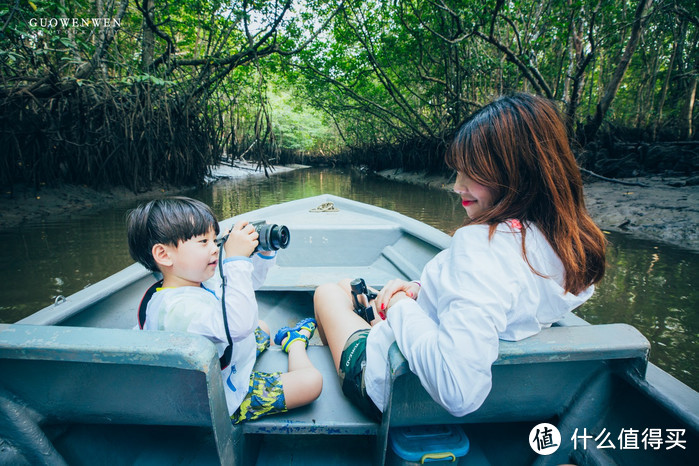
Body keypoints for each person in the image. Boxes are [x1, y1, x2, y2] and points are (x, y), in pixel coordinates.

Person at [314, 93, 607, 419]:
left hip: (388, 388)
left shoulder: (481, 246)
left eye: (473, 173)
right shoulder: (571, 248)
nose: (457, 186)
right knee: (347, 286)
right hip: (504, 407)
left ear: (516, 174)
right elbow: (502, 296)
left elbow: (458, 390)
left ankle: (334, 380)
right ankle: (369, 317)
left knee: (327, 292)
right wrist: (422, 292)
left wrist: (401, 307)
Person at [127, 196, 322, 423]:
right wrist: (236, 260)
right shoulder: (175, 310)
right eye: (203, 242)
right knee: (312, 382)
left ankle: (260, 356)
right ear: (163, 254)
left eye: (215, 239)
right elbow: (238, 325)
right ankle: (295, 342)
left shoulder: (191, 281)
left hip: (220, 364)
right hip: (217, 399)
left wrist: (262, 252)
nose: (215, 248)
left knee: (262, 326)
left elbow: (246, 287)